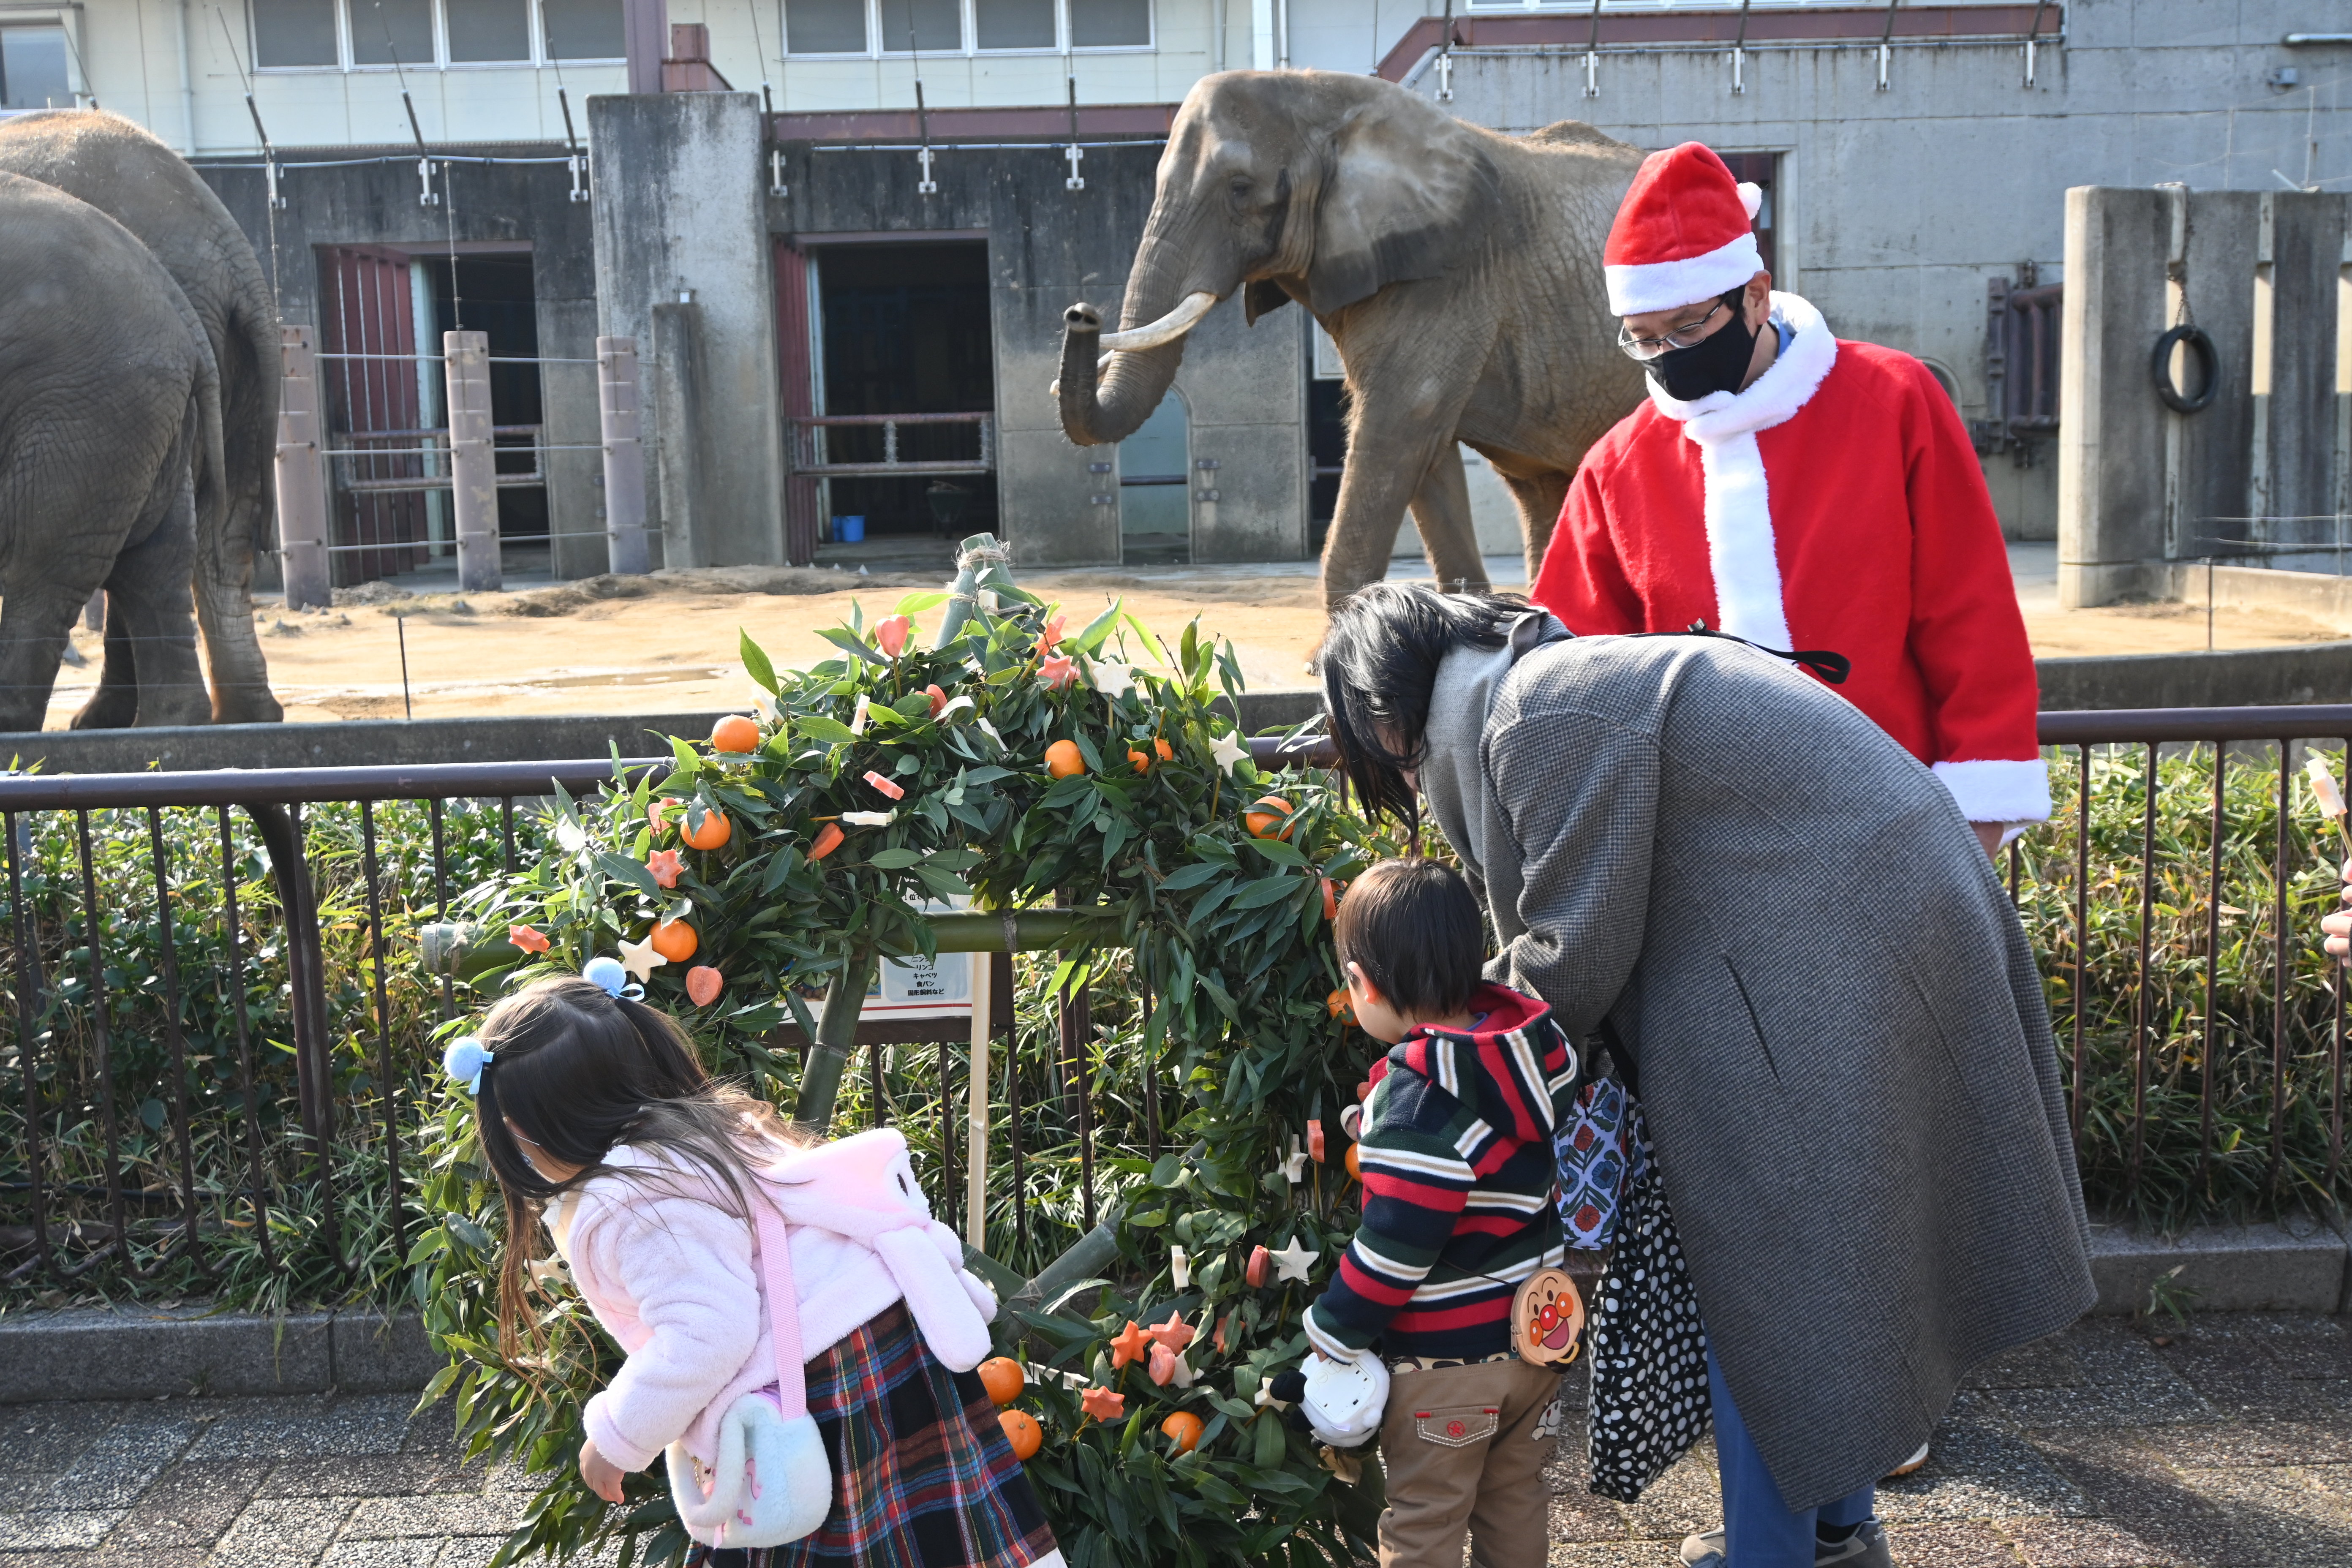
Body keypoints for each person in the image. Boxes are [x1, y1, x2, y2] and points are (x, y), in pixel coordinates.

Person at [1315, 584, 2094, 1568]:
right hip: (1868, 910)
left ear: (1389, 715)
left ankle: (1774, 1553)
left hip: (1840, 934)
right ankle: (1837, 1532)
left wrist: (1428, 1076)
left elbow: (1570, 956)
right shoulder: (1548, 681)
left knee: (1763, 1272)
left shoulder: (1534, 714)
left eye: (1381, 745)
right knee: (1823, 1264)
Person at [1530, 142, 2046, 859]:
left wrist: (1979, 817)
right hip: (1701, 846)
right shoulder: (1618, 464)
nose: (1668, 354)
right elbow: (1574, 669)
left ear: (1756, 294)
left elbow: (1970, 610)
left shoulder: (1894, 400)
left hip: (1895, 820)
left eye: (1688, 328)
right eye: (1644, 340)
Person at [447, 973, 1062, 1568]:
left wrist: (615, 1440)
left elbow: (708, 1334)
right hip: (878, 1343)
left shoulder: (641, 1199)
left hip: (827, 1380)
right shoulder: (701, 1132)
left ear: (528, 1128)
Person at [1301, 858, 1582, 1568]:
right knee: (1516, 1498)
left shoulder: (1416, 1105)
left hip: (1445, 1364)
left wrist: (1333, 1329)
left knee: (1426, 1520)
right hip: (1536, 1342)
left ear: (1362, 983)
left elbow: (1397, 1245)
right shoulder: (1532, 1053)